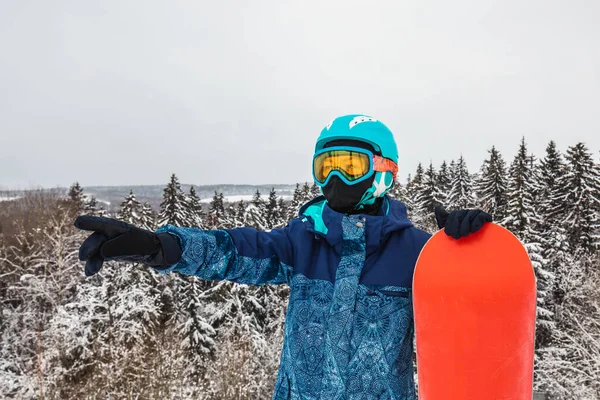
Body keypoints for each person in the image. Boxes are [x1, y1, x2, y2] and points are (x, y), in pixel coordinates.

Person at [75, 114, 492, 399]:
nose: (334, 178)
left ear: (384, 170)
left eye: (349, 165)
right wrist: (161, 246)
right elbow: (233, 250)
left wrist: (467, 253)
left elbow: (472, 322)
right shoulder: (302, 241)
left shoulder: (418, 254)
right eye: (326, 165)